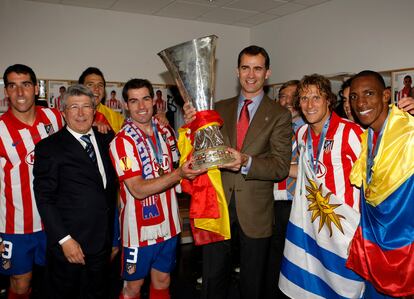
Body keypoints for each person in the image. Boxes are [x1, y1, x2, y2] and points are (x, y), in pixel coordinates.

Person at [184, 45, 292, 299]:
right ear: (237, 71)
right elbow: (203, 150)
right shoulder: (219, 108)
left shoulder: (279, 115)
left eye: (257, 68)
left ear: (267, 73)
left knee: (252, 284)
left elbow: (280, 166)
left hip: (255, 213)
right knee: (212, 278)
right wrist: (194, 125)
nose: (251, 74)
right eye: (246, 68)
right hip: (217, 207)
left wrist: (245, 161)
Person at [109, 78, 203, 299]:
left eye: (146, 99)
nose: (141, 107)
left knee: (163, 280)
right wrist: (179, 173)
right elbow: (138, 189)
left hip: (169, 224)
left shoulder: (165, 132)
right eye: (134, 101)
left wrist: (193, 125)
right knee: (133, 287)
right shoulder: (121, 142)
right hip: (138, 230)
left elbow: (183, 157)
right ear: (125, 105)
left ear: (154, 101)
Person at [279, 74, 365, 299]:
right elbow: (307, 172)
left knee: (347, 287)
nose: (309, 105)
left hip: (346, 228)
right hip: (315, 226)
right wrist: (270, 167)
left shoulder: (351, 132)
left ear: (328, 100)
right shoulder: (301, 134)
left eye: (316, 97)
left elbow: (372, 181)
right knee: (316, 283)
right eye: (304, 98)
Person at [33, 84, 117, 298]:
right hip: (70, 247)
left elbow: (111, 192)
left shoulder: (107, 139)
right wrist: (64, 240)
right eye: (74, 107)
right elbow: (44, 198)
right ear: (63, 112)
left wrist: (114, 238)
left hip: (102, 246)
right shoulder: (48, 147)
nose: (81, 113)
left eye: (86, 106)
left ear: (94, 110)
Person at [347, 70, 414, 298]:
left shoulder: (408, 132)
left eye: (369, 93)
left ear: (386, 96)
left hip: (405, 254)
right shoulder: (368, 137)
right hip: (375, 249)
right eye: (354, 96)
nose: (360, 102)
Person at [0, 64, 64, 299]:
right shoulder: (0, 130)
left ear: (36, 88)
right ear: (6, 91)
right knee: (20, 283)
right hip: (15, 226)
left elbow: (82, 119)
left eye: (25, 84)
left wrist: (101, 120)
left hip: (54, 222)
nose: (19, 92)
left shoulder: (54, 117)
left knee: (58, 279)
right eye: (12, 86)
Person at [266, 79, 304, 298]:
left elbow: (309, 170)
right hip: (268, 202)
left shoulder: (309, 131)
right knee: (270, 258)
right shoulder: (270, 130)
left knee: (293, 260)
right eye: (283, 96)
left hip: (295, 204)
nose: (287, 102)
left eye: (293, 97)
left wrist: (272, 167)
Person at [78, 67, 125, 133]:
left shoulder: (117, 119)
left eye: (100, 85)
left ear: (103, 93)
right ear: (80, 89)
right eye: (90, 85)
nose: (96, 88)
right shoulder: (70, 115)